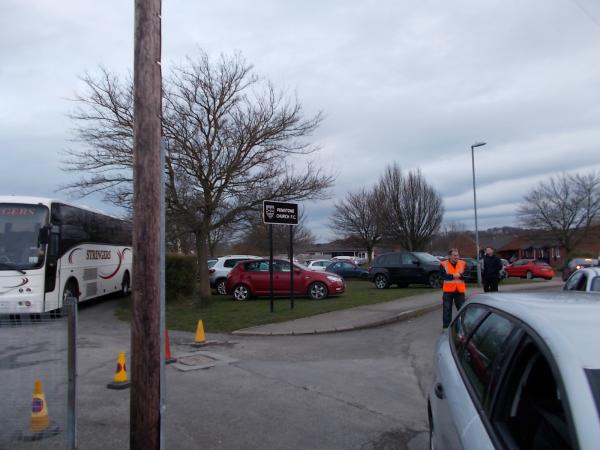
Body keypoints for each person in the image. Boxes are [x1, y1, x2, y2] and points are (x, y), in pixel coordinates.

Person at [440, 248, 466, 330]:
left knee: (462, 309)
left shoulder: (463, 263)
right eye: (454, 255)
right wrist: (454, 276)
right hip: (448, 291)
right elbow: (442, 276)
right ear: (450, 256)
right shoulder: (443, 264)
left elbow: (467, 275)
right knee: (447, 309)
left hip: (459, 291)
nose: (456, 257)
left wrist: (460, 276)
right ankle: (446, 327)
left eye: (457, 255)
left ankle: (463, 326)